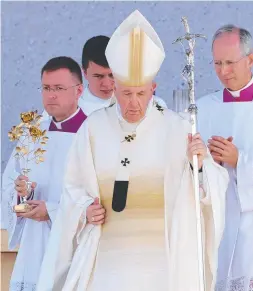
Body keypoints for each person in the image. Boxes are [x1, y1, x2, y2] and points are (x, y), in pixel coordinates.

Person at [37, 10, 228, 291]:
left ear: (153, 88)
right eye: (127, 94)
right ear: (114, 88)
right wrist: (84, 211)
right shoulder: (93, 129)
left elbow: (211, 191)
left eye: (141, 93)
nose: (134, 103)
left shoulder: (177, 130)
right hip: (106, 264)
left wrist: (200, 165)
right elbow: (72, 190)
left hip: (161, 266)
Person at [2, 56, 105, 291]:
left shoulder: (94, 133)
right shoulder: (31, 134)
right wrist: (21, 198)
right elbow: (9, 193)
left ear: (79, 90)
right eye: (46, 88)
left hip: (74, 244)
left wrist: (50, 211)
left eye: (59, 88)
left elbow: (100, 199)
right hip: (34, 244)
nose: (51, 95)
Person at [196, 25, 253, 289]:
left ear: (251, 59)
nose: (223, 71)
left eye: (231, 63)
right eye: (217, 63)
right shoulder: (202, 109)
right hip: (217, 230)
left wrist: (239, 161)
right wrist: (202, 165)